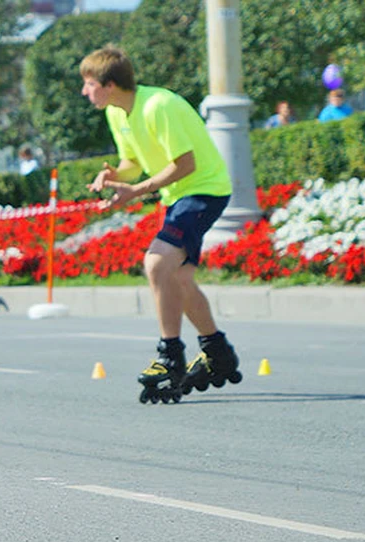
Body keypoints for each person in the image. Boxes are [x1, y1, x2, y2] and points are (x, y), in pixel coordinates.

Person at [80, 45, 241, 403]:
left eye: (89, 83)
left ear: (109, 84)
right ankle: (218, 353)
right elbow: (133, 162)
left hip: (204, 190)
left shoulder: (158, 106)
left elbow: (185, 164)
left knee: (156, 263)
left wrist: (136, 191)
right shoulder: (117, 114)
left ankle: (171, 357)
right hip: (179, 197)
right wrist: (114, 175)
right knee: (179, 277)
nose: (84, 91)